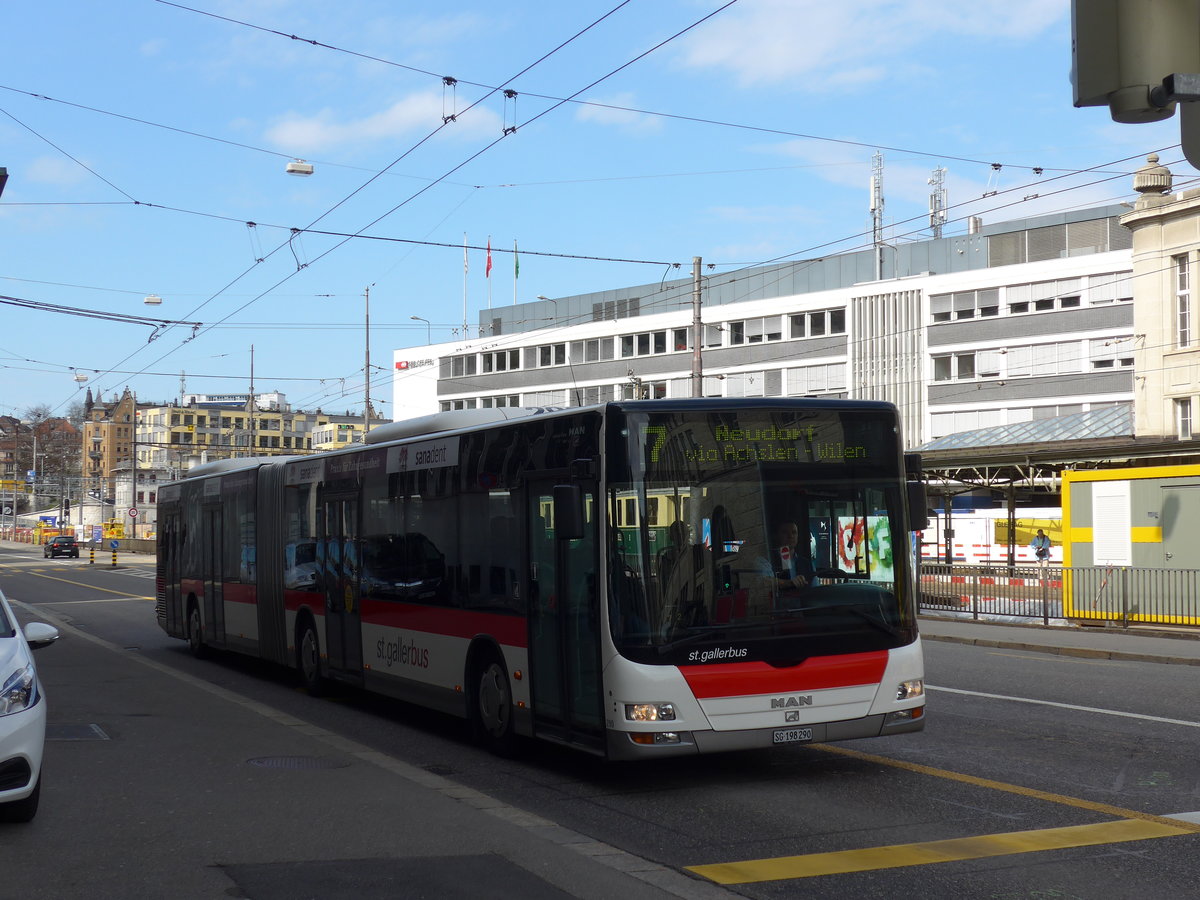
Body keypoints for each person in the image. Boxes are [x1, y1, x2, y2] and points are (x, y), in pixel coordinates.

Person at [757, 520, 814, 594]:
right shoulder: (767, 559)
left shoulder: (806, 563)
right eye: (785, 532)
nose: (790, 536)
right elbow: (763, 581)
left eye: (794, 532)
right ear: (776, 536)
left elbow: (814, 589)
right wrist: (789, 583)